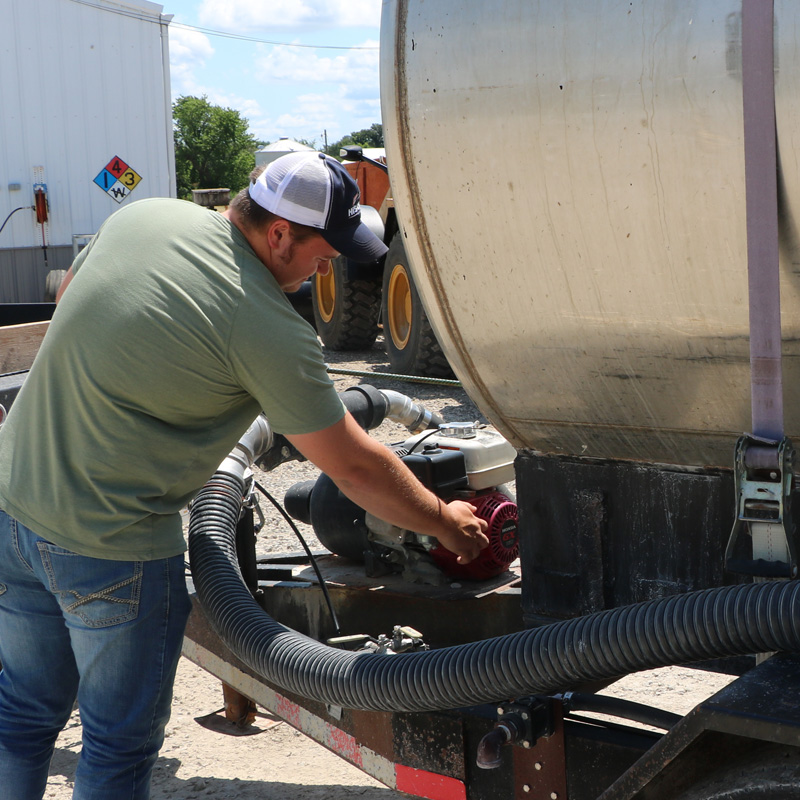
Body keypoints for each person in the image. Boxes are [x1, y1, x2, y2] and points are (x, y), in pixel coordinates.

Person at [0, 150, 489, 799]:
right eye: (325, 248)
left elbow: (74, 302)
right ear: (279, 232)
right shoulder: (264, 325)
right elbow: (353, 466)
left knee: (22, 718)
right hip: (109, 548)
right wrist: (444, 521)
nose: (331, 263)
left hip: (14, 508)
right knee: (118, 744)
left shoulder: (144, 219)